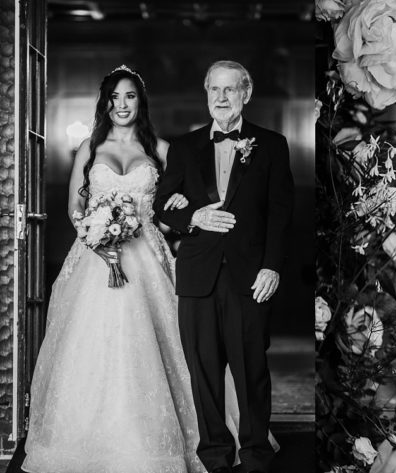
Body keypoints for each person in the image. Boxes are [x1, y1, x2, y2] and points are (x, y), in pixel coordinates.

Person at [23, 66, 205, 472]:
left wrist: (166, 213)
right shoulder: (91, 145)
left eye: (130, 97)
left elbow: (174, 207)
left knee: (158, 344)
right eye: (115, 98)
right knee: (91, 346)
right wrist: (93, 231)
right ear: (106, 103)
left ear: (141, 102)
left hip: (146, 258)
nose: (122, 105)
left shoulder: (160, 148)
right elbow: (74, 204)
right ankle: (88, 439)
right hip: (95, 259)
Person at [154, 60, 294, 473]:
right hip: (197, 276)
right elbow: (162, 205)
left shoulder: (272, 144)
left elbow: (281, 213)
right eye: (213, 89)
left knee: (251, 370)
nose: (220, 97)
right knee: (204, 373)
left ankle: (254, 456)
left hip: (250, 278)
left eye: (229, 89)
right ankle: (215, 458)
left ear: (245, 94)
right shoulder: (183, 147)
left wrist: (272, 267)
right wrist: (192, 217)